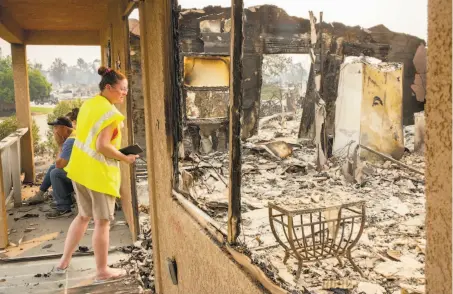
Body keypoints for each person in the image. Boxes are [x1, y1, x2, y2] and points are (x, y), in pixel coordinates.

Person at [54, 66, 138, 281]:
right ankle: (102, 270)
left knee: (82, 217)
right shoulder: (110, 113)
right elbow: (102, 146)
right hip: (98, 175)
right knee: (102, 222)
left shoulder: (89, 104)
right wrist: (125, 157)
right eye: (122, 89)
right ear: (108, 87)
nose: (125, 93)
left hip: (80, 171)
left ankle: (63, 262)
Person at [25, 115, 77, 217]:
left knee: (55, 173)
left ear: (64, 128)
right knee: (53, 167)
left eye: (56, 127)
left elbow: (60, 164)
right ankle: (40, 194)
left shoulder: (70, 140)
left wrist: (60, 144)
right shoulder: (75, 135)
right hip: (82, 171)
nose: (54, 131)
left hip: (81, 176)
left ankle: (63, 208)